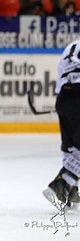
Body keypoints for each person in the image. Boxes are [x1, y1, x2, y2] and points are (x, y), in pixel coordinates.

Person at [43, 37, 80, 211]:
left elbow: (61, 72)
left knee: (71, 147)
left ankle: (71, 190)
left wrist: (64, 101)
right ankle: (63, 184)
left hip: (64, 97)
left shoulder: (72, 45)